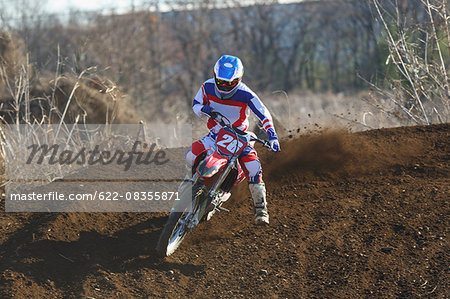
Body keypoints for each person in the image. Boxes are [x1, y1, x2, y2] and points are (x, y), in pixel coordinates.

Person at [184, 54, 281, 225]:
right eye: (221, 81)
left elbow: (263, 113)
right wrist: (205, 109)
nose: (224, 86)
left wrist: (272, 136)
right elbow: (195, 104)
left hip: (239, 137)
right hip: (215, 134)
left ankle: (261, 209)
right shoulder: (207, 86)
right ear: (215, 76)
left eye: (229, 83)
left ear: (238, 80)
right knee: (190, 156)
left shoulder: (246, 94)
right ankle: (191, 182)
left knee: (253, 167)